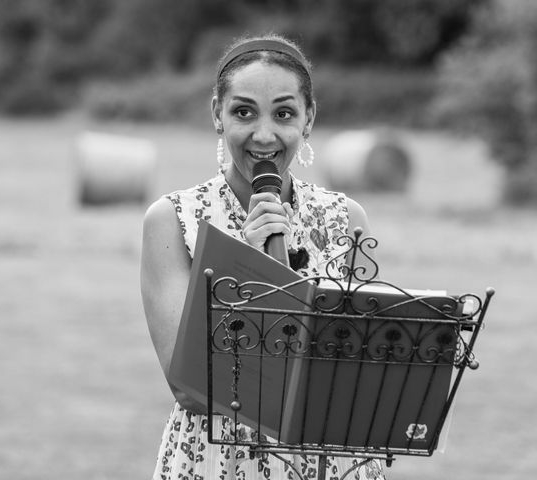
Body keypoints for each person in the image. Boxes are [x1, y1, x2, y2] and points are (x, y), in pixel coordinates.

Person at [140, 34, 385, 480]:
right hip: (219, 458)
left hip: (327, 459)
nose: (264, 134)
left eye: (285, 113)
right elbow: (189, 387)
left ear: (309, 119)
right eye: (243, 112)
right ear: (218, 113)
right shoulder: (174, 220)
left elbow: (357, 367)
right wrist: (252, 268)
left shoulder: (346, 218)